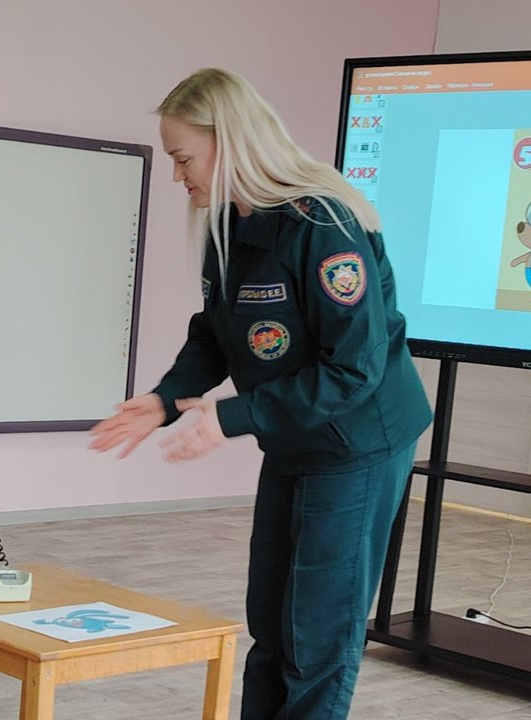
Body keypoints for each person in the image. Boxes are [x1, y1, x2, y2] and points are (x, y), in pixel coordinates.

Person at [90, 68, 432, 720]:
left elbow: (353, 368)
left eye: (183, 158)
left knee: (317, 635)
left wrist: (232, 416)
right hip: (295, 437)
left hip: (358, 445)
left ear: (230, 142)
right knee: (271, 623)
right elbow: (215, 334)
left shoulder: (323, 226)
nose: (177, 176)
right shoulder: (229, 226)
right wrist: (165, 400)